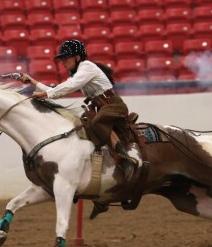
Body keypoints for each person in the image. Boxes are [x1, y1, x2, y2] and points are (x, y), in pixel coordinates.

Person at [17, 39, 137, 182]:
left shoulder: (86, 67)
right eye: (62, 59)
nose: (63, 62)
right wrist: (33, 81)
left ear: (77, 57)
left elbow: (69, 86)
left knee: (98, 122)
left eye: (66, 58)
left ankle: (126, 160)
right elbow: (57, 90)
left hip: (112, 105)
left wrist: (44, 94)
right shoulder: (79, 73)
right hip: (100, 107)